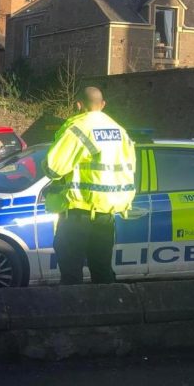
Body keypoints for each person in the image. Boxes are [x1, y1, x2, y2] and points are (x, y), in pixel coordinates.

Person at [44, 87, 136, 285]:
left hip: (78, 212)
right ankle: (105, 312)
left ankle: (74, 312)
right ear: (103, 105)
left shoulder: (78, 128)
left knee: (71, 272)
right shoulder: (120, 131)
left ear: (78, 105)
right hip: (106, 214)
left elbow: (53, 168)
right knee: (102, 270)